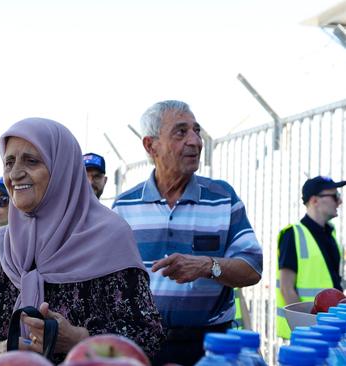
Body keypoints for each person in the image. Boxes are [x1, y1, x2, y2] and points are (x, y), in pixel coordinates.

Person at [0, 118, 164, 365]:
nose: (15, 173)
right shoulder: (0, 245)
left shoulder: (109, 238)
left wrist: (78, 339)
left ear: (63, 169)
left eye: (31, 161)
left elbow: (148, 335)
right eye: (9, 162)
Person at [112, 100, 262, 366]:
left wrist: (208, 265)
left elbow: (252, 269)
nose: (195, 141)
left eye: (196, 130)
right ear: (150, 145)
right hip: (142, 344)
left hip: (211, 346)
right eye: (181, 132)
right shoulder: (125, 207)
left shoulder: (222, 199)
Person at [276, 176, 345, 339]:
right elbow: (287, 288)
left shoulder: (331, 234)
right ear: (314, 200)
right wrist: (307, 330)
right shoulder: (292, 234)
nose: (340, 202)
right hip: (309, 334)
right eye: (335, 196)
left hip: (331, 329)